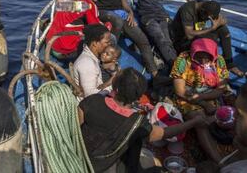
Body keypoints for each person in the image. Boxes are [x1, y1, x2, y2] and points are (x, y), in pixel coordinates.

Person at [78, 67, 212, 173]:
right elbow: (165, 133)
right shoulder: (137, 123)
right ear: (139, 97)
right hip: (112, 168)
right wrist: (193, 122)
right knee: (157, 164)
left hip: (79, 161)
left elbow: (74, 128)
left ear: (115, 88)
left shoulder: (92, 101)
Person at [171, 38, 230, 163]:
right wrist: (202, 103)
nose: (203, 61)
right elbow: (180, 90)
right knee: (200, 120)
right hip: (187, 97)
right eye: (199, 57)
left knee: (225, 116)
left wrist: (203, 98)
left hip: (211, 96)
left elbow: (220, 90)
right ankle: (218, 161)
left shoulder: (219, 61)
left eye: (207, 58)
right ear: (193, 53)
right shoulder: (183, 59)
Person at [169, 0, 244, 77]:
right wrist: (212, 28)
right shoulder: (187, 11)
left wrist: (220, 22)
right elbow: (189, 35)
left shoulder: (207, 6)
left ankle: (229, 63)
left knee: (224, 30)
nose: (207, 19)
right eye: (206, 18)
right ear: (202, 11)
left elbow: (223, 20)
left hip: (196, 32)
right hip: (183, 40)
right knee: (209, 39)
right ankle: (207, 65)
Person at [46, 0, 110, 61]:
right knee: (106, 37)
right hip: (67, 52)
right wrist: (108, 25)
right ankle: (102, 63)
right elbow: (98, 28)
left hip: (52, 46)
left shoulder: (65, 0)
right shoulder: (88, 4)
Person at [73, 24, 112, 98]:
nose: (109, 45)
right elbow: (91, 96)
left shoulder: (93, 58)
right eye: (107, 42)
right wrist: (111, 87)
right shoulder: (87, 63)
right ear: (95, 44)